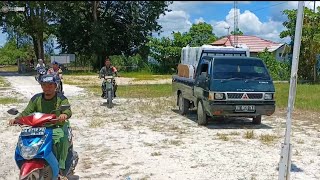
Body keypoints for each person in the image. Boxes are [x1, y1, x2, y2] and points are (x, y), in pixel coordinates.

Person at [8, 74, 73, 176]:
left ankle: (61, 168)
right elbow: (26, 111)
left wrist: (64, 114)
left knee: (62, 139)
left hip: (56, 127)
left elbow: (67, 110)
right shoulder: (36, 98)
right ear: (41, 86)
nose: (47, 88)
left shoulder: (61, 98)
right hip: (39, 128)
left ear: (56, 86)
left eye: (50, 85)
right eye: (44, 85)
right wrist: (16, 119)